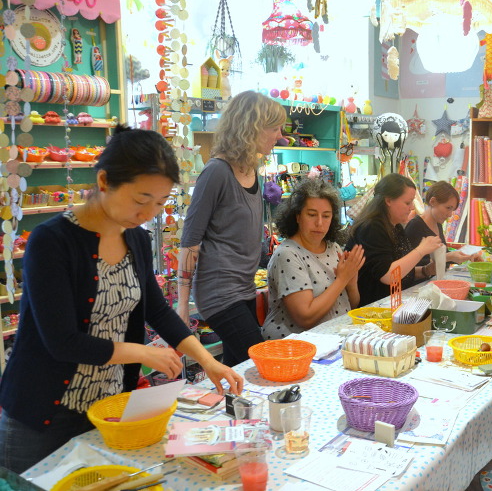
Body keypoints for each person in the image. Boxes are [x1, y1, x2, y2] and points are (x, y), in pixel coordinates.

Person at [0, 126, 244, 474]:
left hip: (111, 408)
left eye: (159, 203)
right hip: (43, 414)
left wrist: (208, 360)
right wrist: (143, 353)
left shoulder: (138, 242)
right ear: (104, 182)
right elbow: (61, 342)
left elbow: (157, 310)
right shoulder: (51, 242)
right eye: (141, 199)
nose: (149, 212)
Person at [178, 91, 285, 366]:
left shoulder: (252, 170)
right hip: (219, 292)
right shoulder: (217, 172)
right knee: (262, 363)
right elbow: (190, 240)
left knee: (238, 371)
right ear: (251, 127)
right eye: (273, 128)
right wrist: (181, 306)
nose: (279, 136)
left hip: (244, 289)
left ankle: (230, 409)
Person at [262, 179, 365, 340]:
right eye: (311, 215)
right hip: (295, 348)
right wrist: (342, 279)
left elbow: (350, 305)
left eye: (326, 216)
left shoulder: (333, 248)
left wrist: (351, 282)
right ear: (297, 216)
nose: (319, 223)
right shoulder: (288, 254)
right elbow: (305, 318)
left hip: (334, 339)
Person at [346, 173, 441, 306]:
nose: (412, 207)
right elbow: (388, 275)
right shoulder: (372, 228)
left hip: (391, 304)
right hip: (372, 309)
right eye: (407, 202)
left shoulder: (395, 227)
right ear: (388, 200)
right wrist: (421, 250)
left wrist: (426, 270)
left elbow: (402, 272)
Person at [405, 181, 479, 268]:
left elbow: (443, 256)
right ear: (433, 201)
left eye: (452, 210)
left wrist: (466, 255)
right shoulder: (415, 226)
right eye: (448, 208)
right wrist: (449, 257)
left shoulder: (438, 224)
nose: (450, 214)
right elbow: (411, 265)